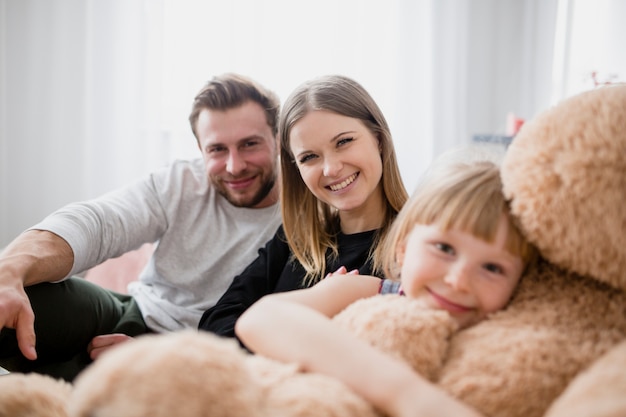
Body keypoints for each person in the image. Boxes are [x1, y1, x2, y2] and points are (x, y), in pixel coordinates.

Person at [0, 73, 283, 380]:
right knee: (18, 298)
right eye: (217, 149)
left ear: (278, 139)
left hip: (204, 360)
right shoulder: (181, 182)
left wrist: (157, 358)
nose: (234, 165)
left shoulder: (306, 213)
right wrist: (10, 270)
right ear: (200, 149)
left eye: (250, 144)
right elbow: (99, 223)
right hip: (132, 314)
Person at [236, 152, 539, 417]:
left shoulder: (516, 331)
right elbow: (260, 318)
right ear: (404, 248)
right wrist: (408, 395)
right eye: (444, 249)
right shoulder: (370, 291)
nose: (457, 280)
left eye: (492, 267)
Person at [199, 74, 409, 340]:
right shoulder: (294, 241)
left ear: (378, 138)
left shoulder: (422, 245)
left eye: (343, 142)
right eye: (309, 157)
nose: (331, 169)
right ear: (296, 168)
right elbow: (215, 325)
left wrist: (271, 326)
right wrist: (317, 301)